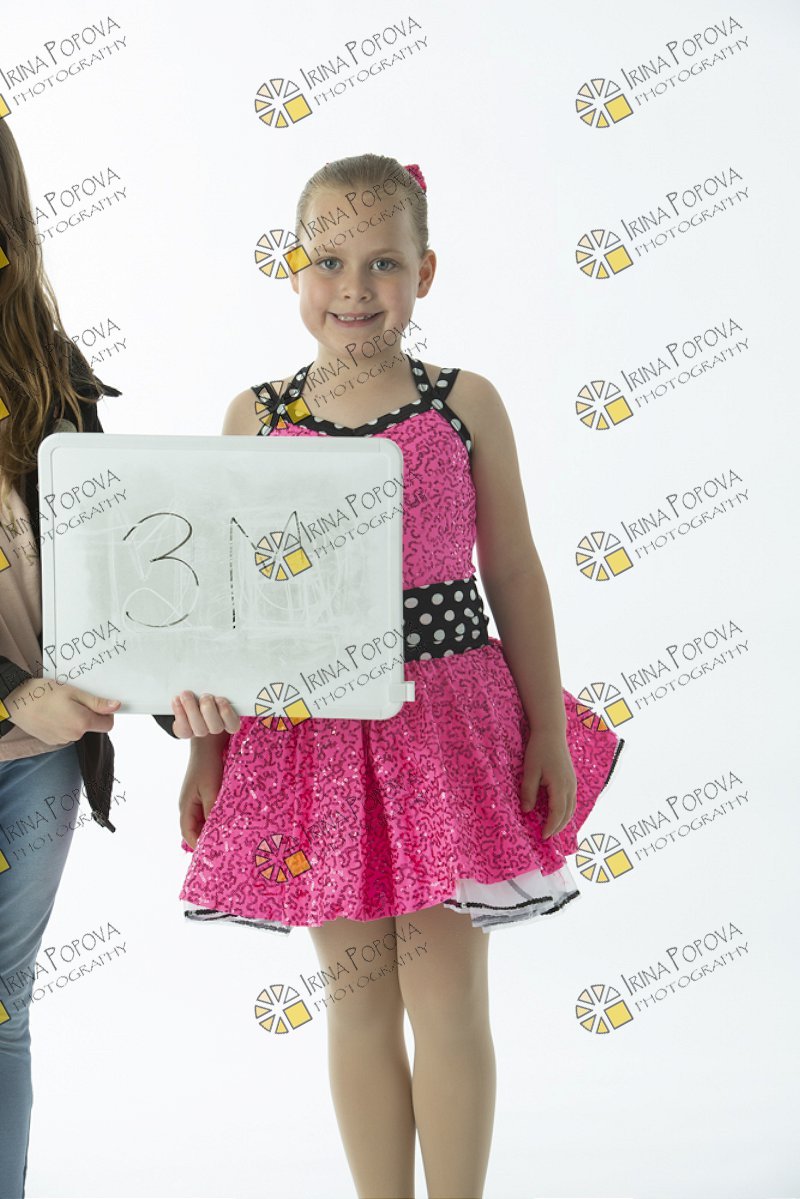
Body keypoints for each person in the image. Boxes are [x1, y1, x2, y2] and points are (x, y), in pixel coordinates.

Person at [162, 154, 626, 1199]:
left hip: (448, 728)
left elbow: (513, 569)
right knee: (356, 997)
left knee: (446, 998)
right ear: (294, 270)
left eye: (383, 262)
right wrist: (205, 753)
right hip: (314, 733)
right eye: (329, 261)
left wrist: (545, 731)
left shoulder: (465, 403)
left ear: (426, 272)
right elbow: (226, 605)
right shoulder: (257, 415)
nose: (355, 287)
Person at [0, 120, 125, 1197]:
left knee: (2, 1004)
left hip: (37, 757)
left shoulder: (50, 366)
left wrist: (178, 686)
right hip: (21, 715)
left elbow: (117, 559)